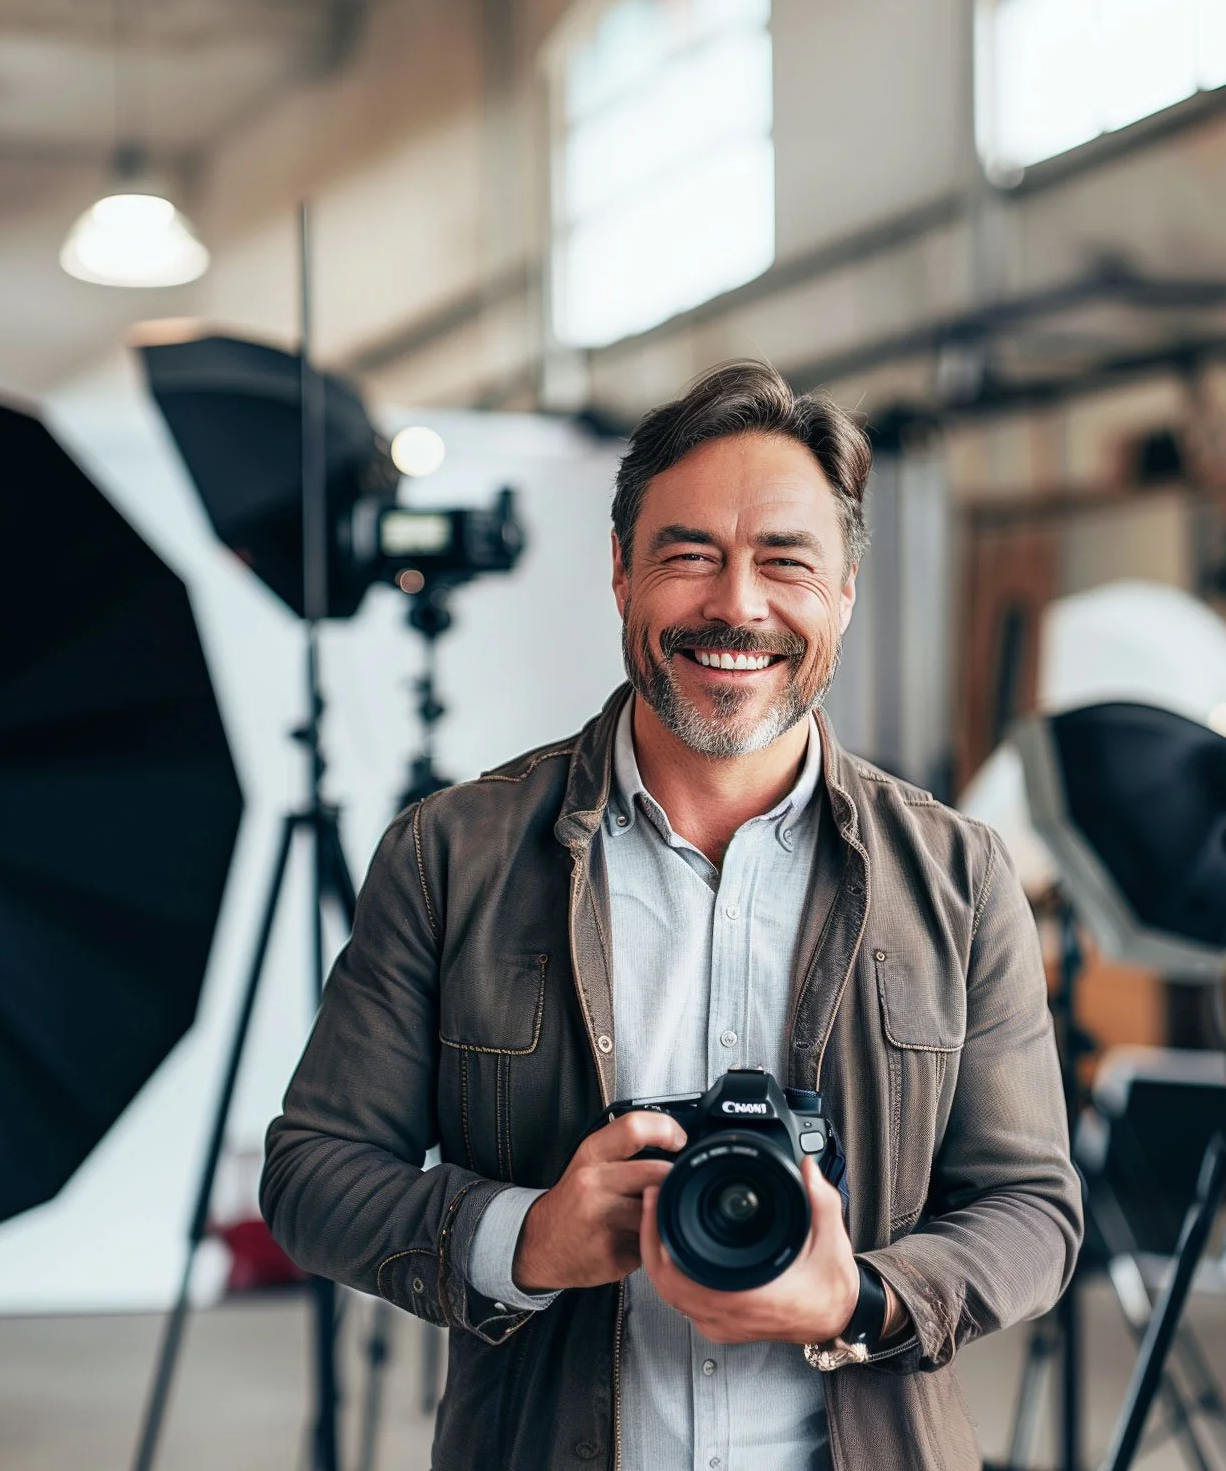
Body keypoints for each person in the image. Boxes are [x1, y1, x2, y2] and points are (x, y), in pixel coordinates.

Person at [262, 360, 1083, 1471]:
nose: (735, 605)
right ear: (620, 576)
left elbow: (1032, 1209)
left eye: (784, 562)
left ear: (843, 592)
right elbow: (313, 1172)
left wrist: (865, 1298)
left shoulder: (960, 876)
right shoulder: (448, 855)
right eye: (688, 554)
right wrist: (525, 1238)